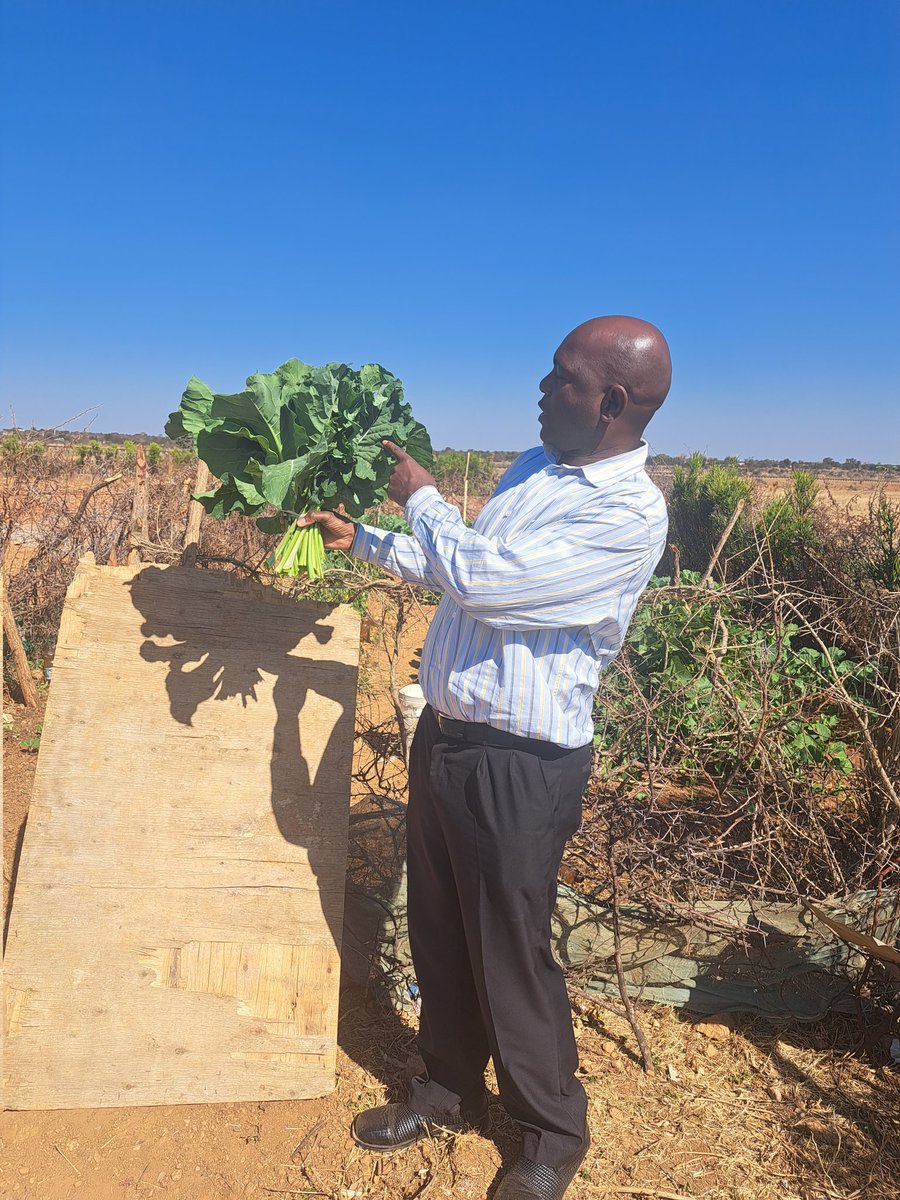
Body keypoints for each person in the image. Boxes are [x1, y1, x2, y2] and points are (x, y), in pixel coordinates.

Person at [299, 315, 672, 1200]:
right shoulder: (535, 467)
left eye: (562, 377)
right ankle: (446, 1089)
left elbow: (491, 584)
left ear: (612, 403)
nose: (542, 389)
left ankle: (550, 1136)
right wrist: (370, 540)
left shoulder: (627, 511)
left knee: (509, 950)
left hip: (521, 765)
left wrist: (421, 497)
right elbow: (462, 568)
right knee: (437, 926)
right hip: (450, 737)